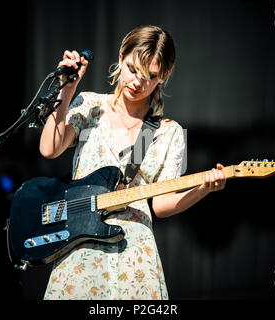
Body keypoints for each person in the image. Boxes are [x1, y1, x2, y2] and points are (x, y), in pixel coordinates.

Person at [39, 25, 226, 300]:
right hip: (81, 246)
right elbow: (49, 149)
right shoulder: (90, 105)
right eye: (132, 69)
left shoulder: (169, 132)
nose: (138, 82)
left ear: (164, 76)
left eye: (150, 76)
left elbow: (161, 206)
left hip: (135, 255)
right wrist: (68, 89)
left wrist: (202, 189)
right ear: (121, 56)